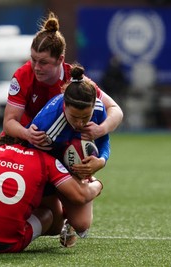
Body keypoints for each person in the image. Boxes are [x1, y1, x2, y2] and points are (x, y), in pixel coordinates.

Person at [0, 135, 103, 253]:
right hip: (6, 245)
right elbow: (80, 196)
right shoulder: (45, 160)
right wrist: (97, 183)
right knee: (50, 216)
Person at [2, 11, 123, 148]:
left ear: (60, 59)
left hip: (58, 143)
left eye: (43, 62)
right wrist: (26, 134)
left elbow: (115, 109)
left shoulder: (75, 79)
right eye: (33, 60)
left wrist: (101, 129)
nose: (36, 67)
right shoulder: (23, 75)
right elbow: (9, 122)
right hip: (22, 138)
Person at [28, 64, 110, 247]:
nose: (80, 123)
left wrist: (101, 160)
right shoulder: (48, 123)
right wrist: (65, 181)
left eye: (85, 117)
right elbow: (31, 155)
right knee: (53, 224)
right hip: (45, 168)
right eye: (74, 117)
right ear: (64, 105)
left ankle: (86, 184)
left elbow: (104, 140)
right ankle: (92, 186)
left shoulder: (97, 107)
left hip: (70, 168)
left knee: (81, 225)